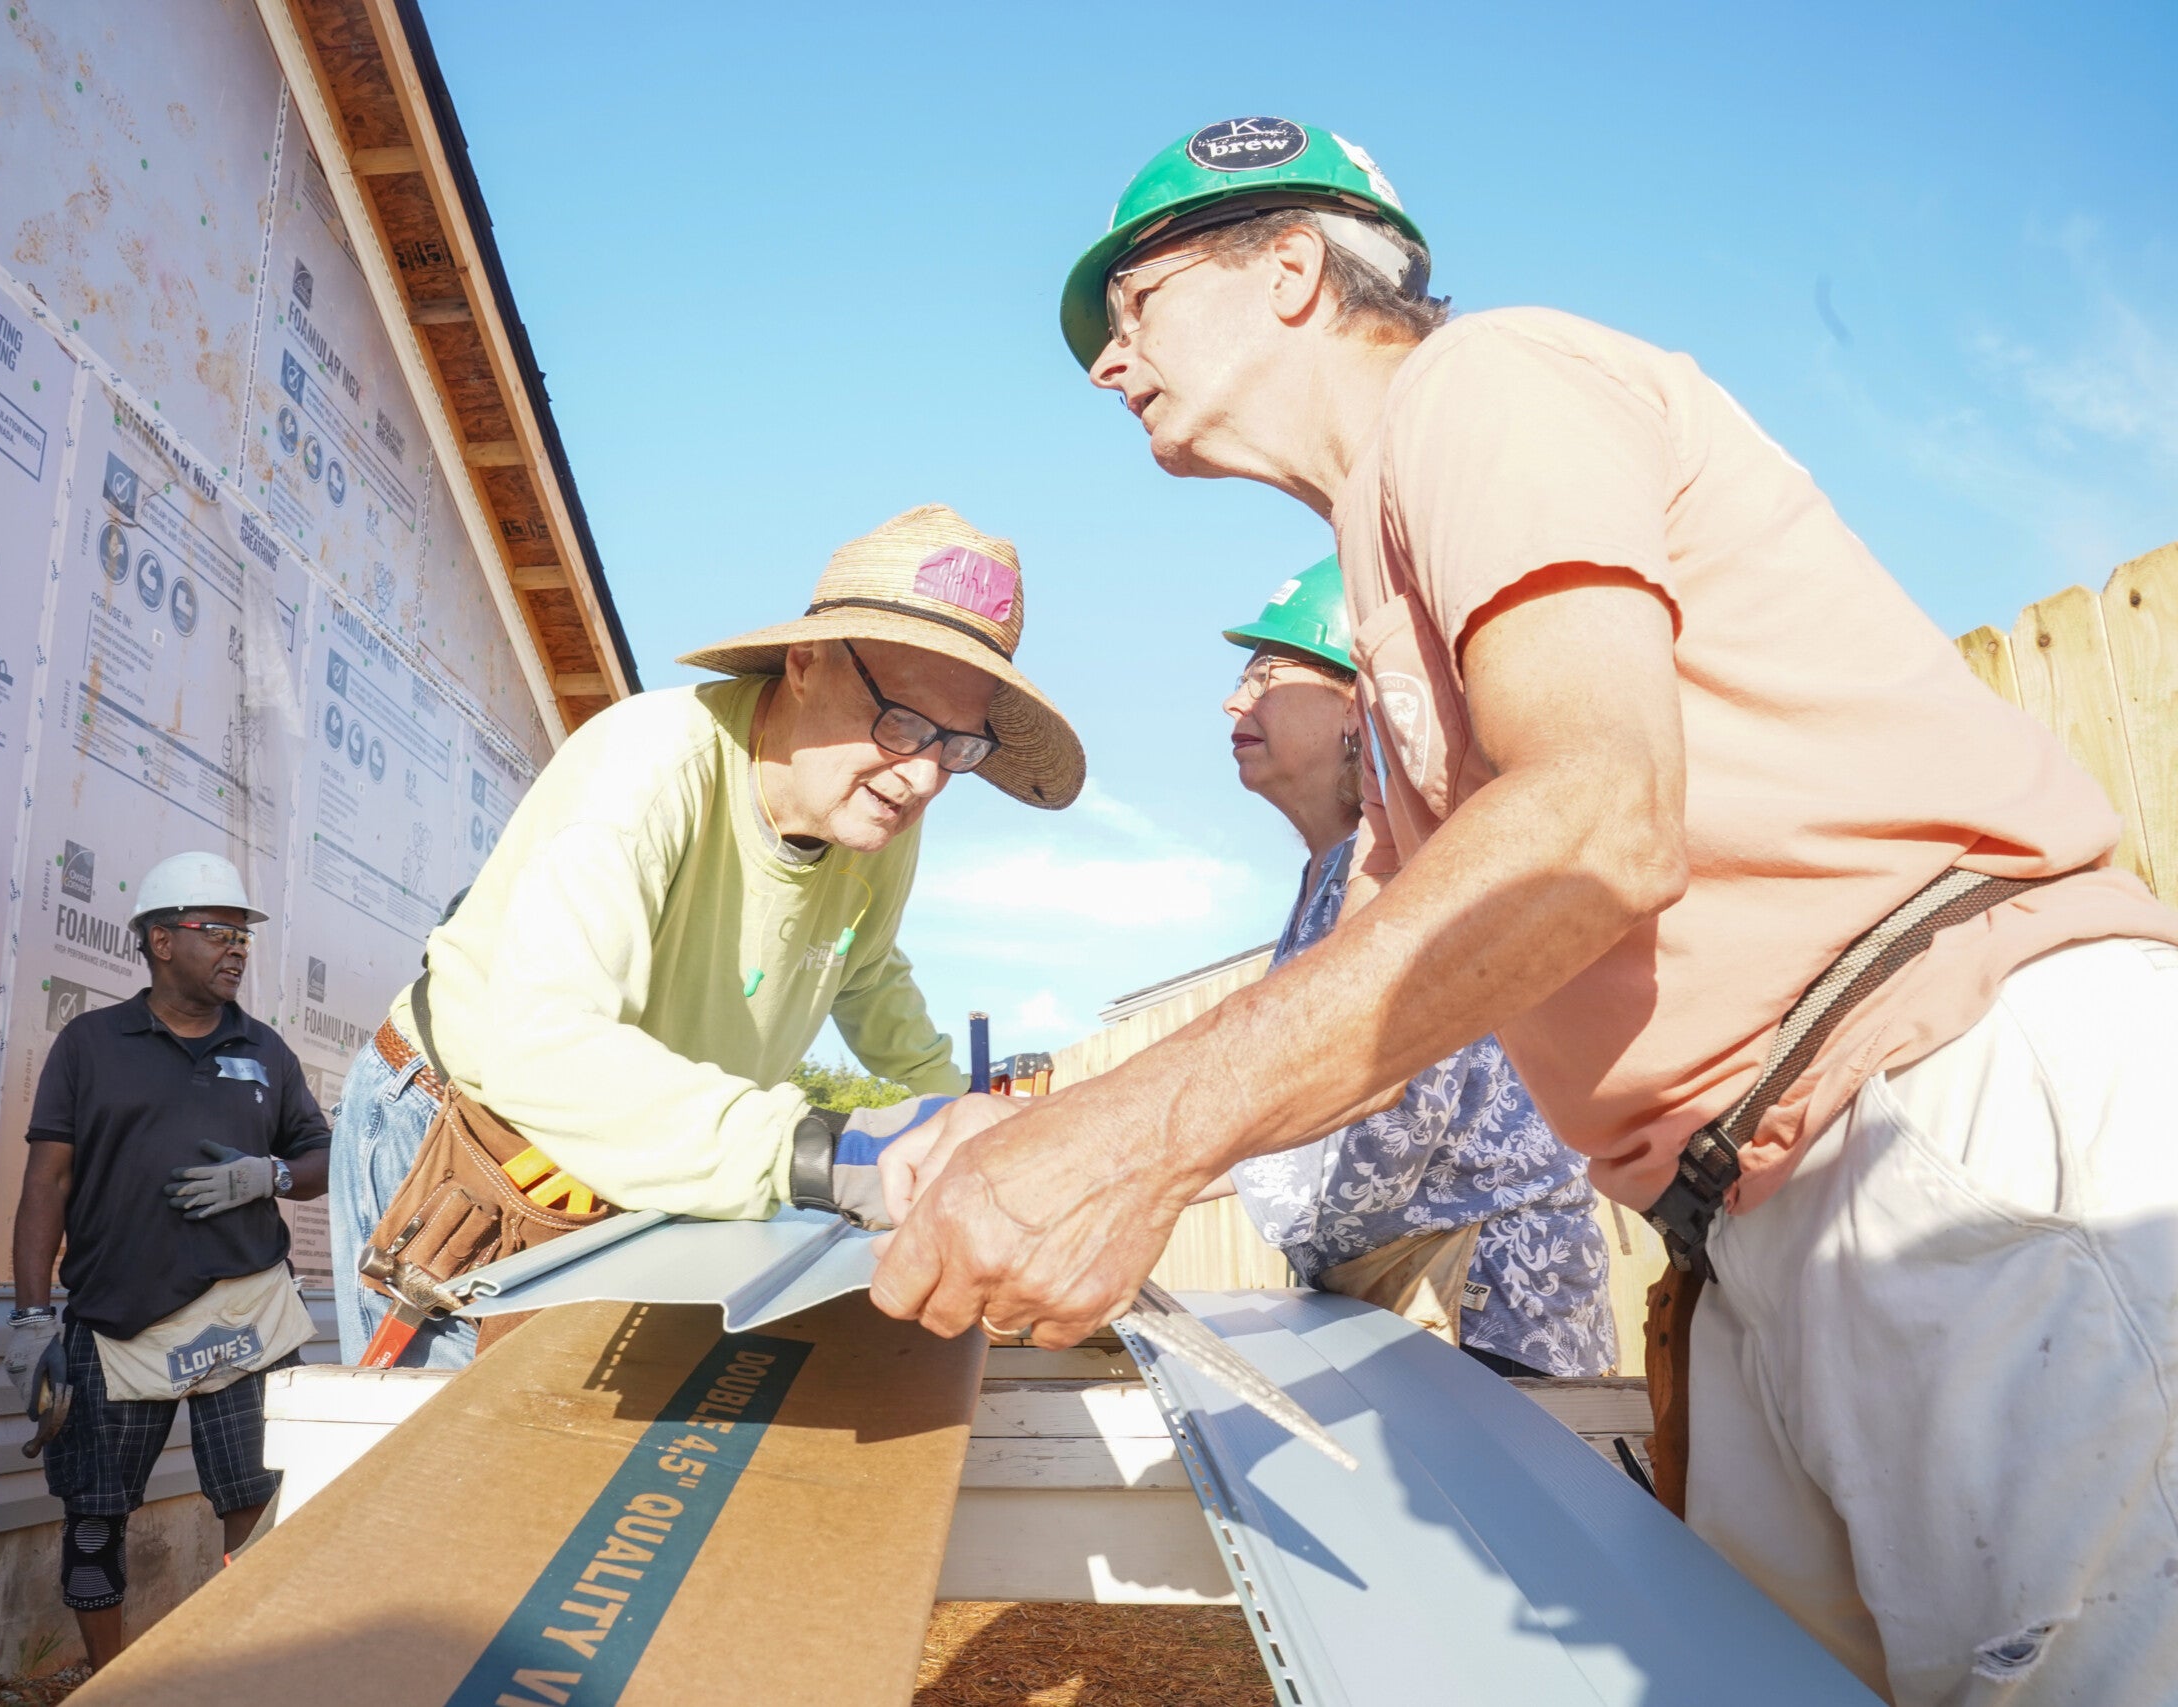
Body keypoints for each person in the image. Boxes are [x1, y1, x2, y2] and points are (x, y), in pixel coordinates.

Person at [873, 116, 2178, 1704]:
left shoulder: (1484, 388)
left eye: (1131, 303)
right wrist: (1039, 1129)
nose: (1104, 359)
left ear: (1290, 267)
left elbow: (1598, 821)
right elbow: (1365, 977)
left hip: (1953, 1115)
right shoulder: (1393, 579)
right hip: (1779, 1196)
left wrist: (1129, 1142)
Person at [329, 504, 1084, 1365]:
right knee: (429, 1475)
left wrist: (962, 1121)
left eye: (957, 747)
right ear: (806, 662)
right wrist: (834, 1149)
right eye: (903, 722)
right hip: (466, 1144)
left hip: (642, 1159)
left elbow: (868, 974)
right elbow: (541, 1051)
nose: (920, 776)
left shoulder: (877, 812)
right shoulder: (646, 767)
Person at [1217, 558, 1612, 1378]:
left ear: (1358, 703)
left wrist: (1168, 1164)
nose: (1233, 701)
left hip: (1494, 1327)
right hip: (1421, 1322)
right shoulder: (1328, 881)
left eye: (1266, 676)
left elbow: (1382, 1138)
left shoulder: (1424, 870)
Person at [2, 851, 330, 1672]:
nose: (235, 948)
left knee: (259, 1503)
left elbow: (321, 1154)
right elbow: (47, 1180)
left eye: (242, 933)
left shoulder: (266, 1050)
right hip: (119, 1321)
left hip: (245, 1314)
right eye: (215, 930)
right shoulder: (90, 1044)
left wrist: (272, 1174)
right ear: (158, 940)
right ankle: (109, 1680)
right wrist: (32, 1314)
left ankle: (245, 1672)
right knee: (93, 1518)